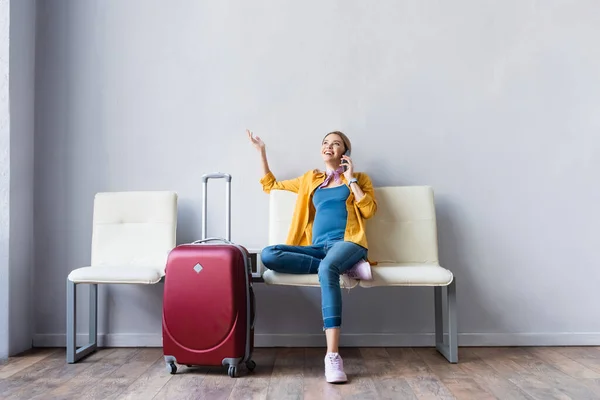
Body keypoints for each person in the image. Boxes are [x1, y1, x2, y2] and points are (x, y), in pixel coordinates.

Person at [247, 128, 377, 383]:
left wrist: (350, 179)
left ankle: (332, 356)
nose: (329, 146)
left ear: (344, 154)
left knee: (328, 268)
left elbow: (370, 210)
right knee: (270, 255)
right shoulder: (310, 179)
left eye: (336, 144)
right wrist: (261, 151)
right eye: (326, 142)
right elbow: (271, 186)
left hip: (348, 242)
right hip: (317, 248)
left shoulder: (360, 178)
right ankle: (347, 267)